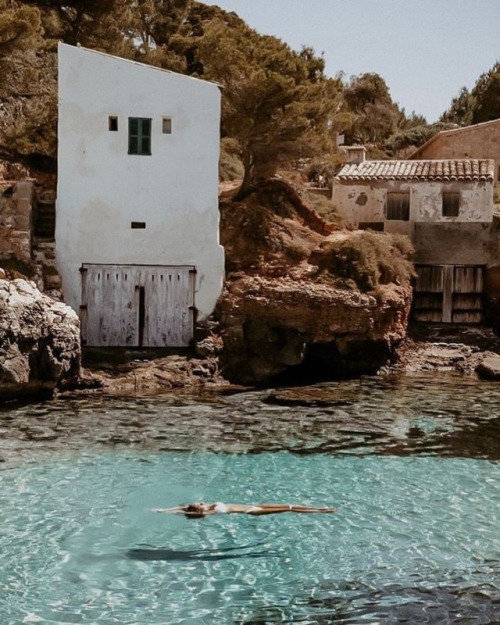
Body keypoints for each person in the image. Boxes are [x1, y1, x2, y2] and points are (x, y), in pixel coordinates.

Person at [151, 502, 336, 518]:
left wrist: (164, 509)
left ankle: (320, 508)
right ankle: (321, 512)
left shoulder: (207, 505)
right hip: (251, 511)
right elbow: (184, 511)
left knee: (288, 504)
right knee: (288, 509)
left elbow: (182, 506)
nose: (200, 503)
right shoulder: (208, 512)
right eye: (198, 505)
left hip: (253, 504)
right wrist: (170, 513)